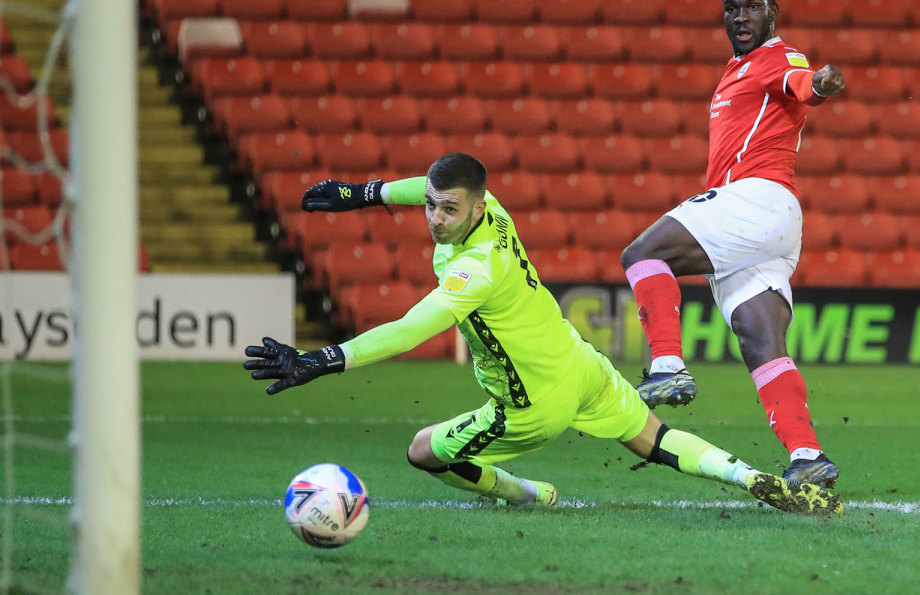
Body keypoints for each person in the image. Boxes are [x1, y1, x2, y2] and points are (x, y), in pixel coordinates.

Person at [244, 152, 841, 516]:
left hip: (529, 402)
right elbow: (424, 185)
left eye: (447, 210)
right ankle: (749, 476)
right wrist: (363, 194)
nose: (434, 218)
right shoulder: (491, 207)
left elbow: (407, 331)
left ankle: (529, 495)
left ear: (476, 210)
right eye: (430, 206)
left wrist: (318, 361)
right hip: (579, 363)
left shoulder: (474, 268)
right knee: (652, 439)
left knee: (423, 451)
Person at [621, 0, 847, 491]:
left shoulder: (776, 56)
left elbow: (800, 82)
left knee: (642, 256)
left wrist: (818, 85)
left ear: (774, 11)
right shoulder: (735, 69)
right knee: (760, 340)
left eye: (753, 6)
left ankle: (668, 365)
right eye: (732, 7)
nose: (741, 16)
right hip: (770, 224)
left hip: (756, 198)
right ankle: (807, 454)